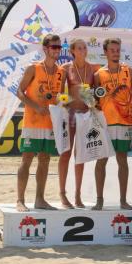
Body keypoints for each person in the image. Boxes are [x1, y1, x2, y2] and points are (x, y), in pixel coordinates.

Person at [16, 34, 65, 212]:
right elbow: (19, 92)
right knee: (26, 159)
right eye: (54, 47)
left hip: (50, 123)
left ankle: (40, 199)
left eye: (59, 47)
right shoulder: (33, 68)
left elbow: (59, 96)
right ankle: (20, 200)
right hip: (32, 121)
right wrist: (35, 106)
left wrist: (61, 103)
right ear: (45, 49)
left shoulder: (61, 72)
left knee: (44, 160)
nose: (57, 50)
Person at [92, 38, 132, 210]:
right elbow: (94, 99)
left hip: (124, 123)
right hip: (106, 123)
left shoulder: (129, 71)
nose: (116, 53)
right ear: (105, 52)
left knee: (122, 160)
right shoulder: (98, 75)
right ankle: (99, 200)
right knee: (101, 161)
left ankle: (123, 200)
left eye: (118, 50)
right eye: (112, 50)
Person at [58, 38, 100, 209]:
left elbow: (95, 95)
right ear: (72, 51)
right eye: (80, 48)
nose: (83, 50)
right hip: (69, 116)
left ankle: (77, 194)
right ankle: (62, 193)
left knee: (80, 156)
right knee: (65, 154)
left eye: (85, 48)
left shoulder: (92, 69)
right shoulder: (66, 68)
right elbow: (60, 94)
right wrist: (67, 105)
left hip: (85, 116)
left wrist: (91, 104)